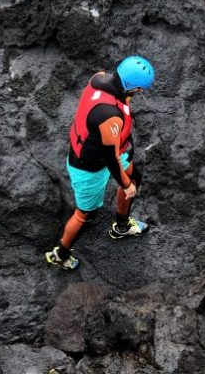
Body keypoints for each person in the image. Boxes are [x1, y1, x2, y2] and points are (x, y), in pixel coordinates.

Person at [45, 56, 155, 270]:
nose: (141, 92)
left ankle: (121, 227)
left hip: (113, 148)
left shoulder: (99, 78)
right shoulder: (110, 117)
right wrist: (126, 186)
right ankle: (61, 254)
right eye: (140, 88)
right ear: (132, 86)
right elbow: (110, 159)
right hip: (89, 166)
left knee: (135, 175)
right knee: (86, 214)